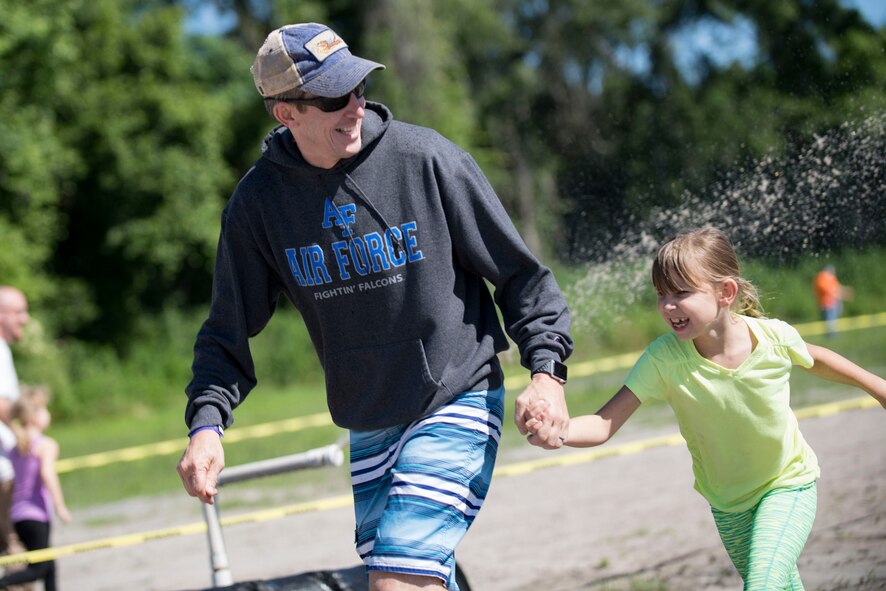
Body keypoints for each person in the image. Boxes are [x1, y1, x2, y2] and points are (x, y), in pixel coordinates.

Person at [176, 22, 573, 591]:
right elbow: (225, 332)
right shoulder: (258, 204)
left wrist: (546, 372)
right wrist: (206, 426)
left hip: (455, 394)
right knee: (411, 574)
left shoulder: (428, 159)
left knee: (397, 578)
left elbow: (521, 277)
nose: (356, 107)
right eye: (336, 97)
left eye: (358, 88)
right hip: (369, 419)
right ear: (286, 113)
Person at [525, 227, 886, 590]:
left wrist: (877, 387)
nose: (668, 305)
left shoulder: (772, 337)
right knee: (783, 585)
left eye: (681, 292)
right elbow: (604, 423)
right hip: (728, 506)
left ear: (725, 292)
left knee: (762, 583)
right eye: (661, 294)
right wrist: (561, 431)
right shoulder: (663, 358)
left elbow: (816, 357)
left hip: (787, 485)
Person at [0, 385, 71, 591]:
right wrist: (60, 506)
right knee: (39, 569)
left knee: (49, 564)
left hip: (18, 516)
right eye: (44, 410)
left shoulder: (17, 447)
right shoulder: (45, 445)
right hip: (36, 515)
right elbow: (47, 474)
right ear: (34, 417)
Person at [0, 287, 30, 560]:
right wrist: (22, 433)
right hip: (3, 471)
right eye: (19, 312)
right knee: (14, 551)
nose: (25, 319)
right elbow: (2, 404)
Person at [812, 265, 851, 337]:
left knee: (832, 320)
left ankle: (832, 334)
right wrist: (842, 294)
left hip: (833, 303)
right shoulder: (822, 277)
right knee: (829, 320)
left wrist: (844, 291)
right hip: (826, 303)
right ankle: (831, 335)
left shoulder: (830, 277)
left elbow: (836, 287)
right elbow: (828, 290)